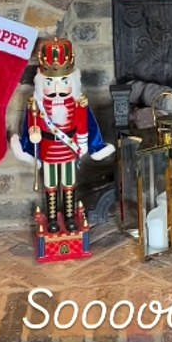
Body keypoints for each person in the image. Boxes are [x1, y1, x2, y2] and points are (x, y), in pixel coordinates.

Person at [22, 37, 114, 233]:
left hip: (69, 148)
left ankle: (70, 216)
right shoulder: (36, 105)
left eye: (63, 82)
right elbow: (31, 125)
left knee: (70, 183)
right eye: (50, 82)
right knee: (51, 184)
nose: (57, 89)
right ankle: (53, 218)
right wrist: (33, 133)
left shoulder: (78, 103)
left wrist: (86, 144)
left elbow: (86, 124)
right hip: (48, 150)